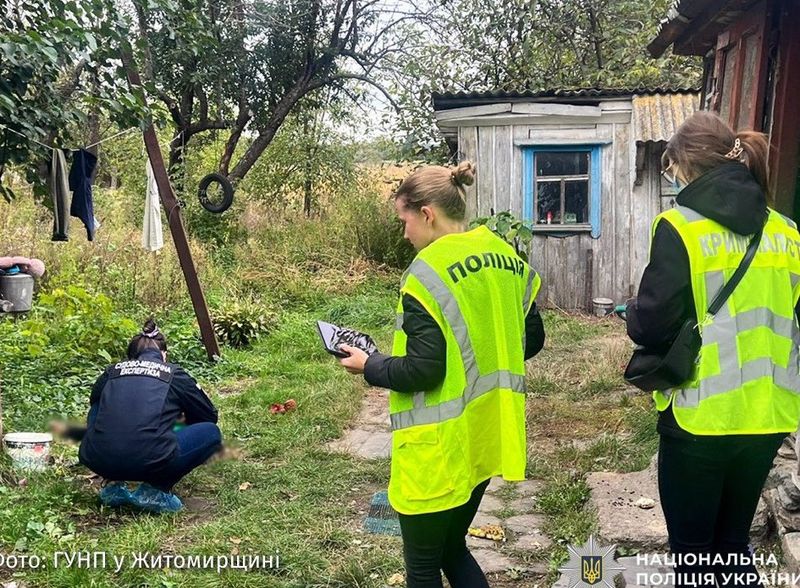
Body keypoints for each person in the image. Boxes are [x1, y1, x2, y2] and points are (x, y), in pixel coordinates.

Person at [339, 161, 545, 588]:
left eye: (404, 221)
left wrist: (368, 364)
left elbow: (423, 371)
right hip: (488, 433)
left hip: (437, 447)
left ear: (427, 213)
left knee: (423, 568)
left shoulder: (426, 273)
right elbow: (531, 340)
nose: (404, 233)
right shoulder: (505, 255)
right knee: (454, 549)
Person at [626, 111, 800, 588]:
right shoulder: (787, 232)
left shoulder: (680, 227)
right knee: (731, 545)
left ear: (683, 165)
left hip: (701, 415)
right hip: (769, 414)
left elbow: (655, 323)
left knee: (694, 555)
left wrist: (633, 314)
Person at [78, 319, 222, 513]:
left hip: (96, 457)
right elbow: (208, 415)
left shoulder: (111, 372)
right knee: (211, 432)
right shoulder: (173, 374)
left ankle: (112, 483)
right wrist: (178, 421)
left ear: (131, 356)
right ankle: (156, 490)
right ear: (164, 355)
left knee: (99, 404)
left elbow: (94, 405)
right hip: (152, 460)